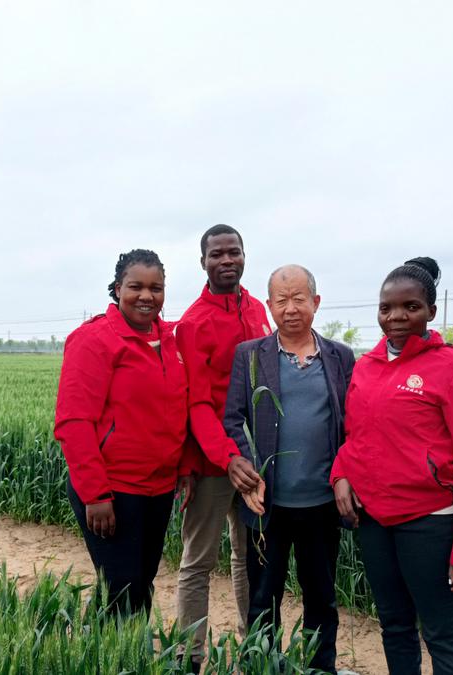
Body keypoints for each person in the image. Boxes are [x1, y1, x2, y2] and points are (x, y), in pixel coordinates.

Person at [331, 257, 453, 675]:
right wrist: (341, 474)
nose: (397, 317)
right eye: (387, 308)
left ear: (431, 312)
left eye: (410, 307)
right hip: (374, 522)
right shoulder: (366, 367)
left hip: (431, 524)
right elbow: (356, 436)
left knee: (443, 636)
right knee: (395, 626)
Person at [224, 264, 355, 675]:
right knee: (264, 599)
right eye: (281, 300)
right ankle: (265, 666)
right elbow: (232, 418)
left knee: (321, 598)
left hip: (321, 503)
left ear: (316, 303)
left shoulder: (340, 357)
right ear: (269, 306)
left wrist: (346, 474)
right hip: (268, 507)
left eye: (299, 298)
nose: (291, 308)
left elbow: (354, 424)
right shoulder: (250, 356)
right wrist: (245, 467)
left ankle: (322, 668)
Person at [54, 249, 196, 616]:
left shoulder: (170, 340)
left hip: (159, 488)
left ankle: (129, 658)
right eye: (136, 286)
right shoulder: (94, 340)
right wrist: (95, 493)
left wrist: (182, 467)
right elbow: (74, 422)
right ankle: (105, 658)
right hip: (113, 489)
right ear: (118, 288)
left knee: (141, 584)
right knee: (120, 589)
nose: (147, 296)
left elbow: (177, 409)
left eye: (156, 288)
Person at [175, 224, 271, 671]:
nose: (226, 261)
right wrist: (225, 457)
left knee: (249, 555)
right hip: (214, 461)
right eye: (217, 255)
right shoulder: (193, 323)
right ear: (203, 263)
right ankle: (190, 657)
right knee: (198, 561)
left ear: (245, 256)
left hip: (256, 461)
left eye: (234, 252)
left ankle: (253, 648)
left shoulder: (256, 309)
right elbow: (196, 403)